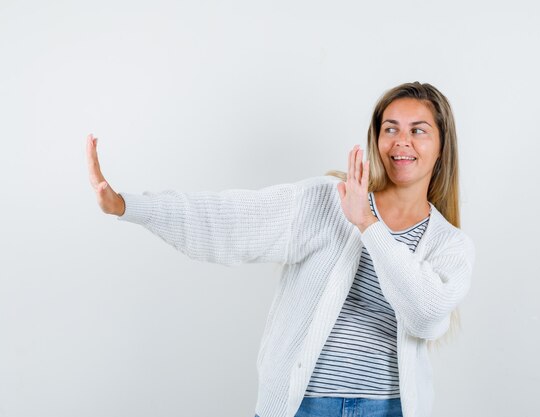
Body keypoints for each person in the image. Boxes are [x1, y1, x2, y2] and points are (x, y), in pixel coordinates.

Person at [86, 81, 475, 417]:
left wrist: (368, 225)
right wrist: (127, 206)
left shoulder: (450, 245)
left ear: (442, 146)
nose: (401, 142)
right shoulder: (328, 201)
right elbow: (230, 219)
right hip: (302, 405)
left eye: (419, 131)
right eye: (390, 129)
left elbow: (425, 315)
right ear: (376, 139)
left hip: (390, 408)